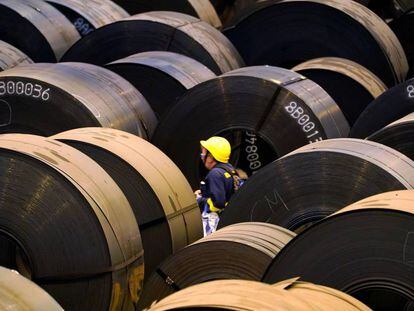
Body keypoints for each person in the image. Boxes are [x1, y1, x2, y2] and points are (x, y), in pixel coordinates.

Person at [195, 136, 238, 236]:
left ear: (211, 157)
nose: (202, 155)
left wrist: (200, 200)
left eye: (204, 152)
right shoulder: (230, 170)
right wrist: (204, 192)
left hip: (215, 223)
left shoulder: (215, 174)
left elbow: (218, 203)